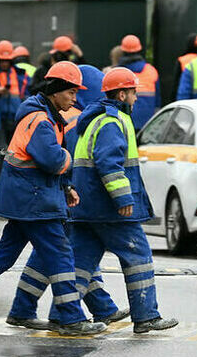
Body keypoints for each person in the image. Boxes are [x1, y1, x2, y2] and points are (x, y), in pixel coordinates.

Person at [0, 61, 107, 337]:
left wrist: (65, 186)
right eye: (71, 93)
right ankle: (72, 319)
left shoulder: (44, 115)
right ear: (56, 91)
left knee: (1, 257)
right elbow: (51, 159)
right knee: (61, 257)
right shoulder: (41, 120)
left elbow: (43, 162)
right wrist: (69, 160)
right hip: (34, 202)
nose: (75, 99)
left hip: (26, 199)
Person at [6, 64, 129, 330]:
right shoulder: (78, 118)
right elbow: (66, 160)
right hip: (67, 196)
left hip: (58, 194)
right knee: (67, 254)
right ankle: (66, 313)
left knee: (60, 253)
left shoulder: (69, 115)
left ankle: (26, 308)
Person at [63, 67, 179, 333]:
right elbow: (109, 164)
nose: (137, 98)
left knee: (81, 264)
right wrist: (123, 198)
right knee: (138, 256)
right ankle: (146, 316)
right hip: (110, 210)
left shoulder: (95, 118)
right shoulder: (112, 121)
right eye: (134, 92)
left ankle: (63, 315)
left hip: (88, 207)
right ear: (122, 93)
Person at [0, 40, 27, 182]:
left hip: (15, 118)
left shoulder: (19, 74)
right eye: (2, 60)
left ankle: (11, 180)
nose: (5, 63)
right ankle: (1, 180)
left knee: (15, 152)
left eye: (7, 60)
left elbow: (26, 94)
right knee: (0, 151)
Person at [118, 34, 159, 130]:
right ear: (139, 49)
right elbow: (158, 101)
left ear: (123, 51)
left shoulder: (118, 72)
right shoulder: (151, 70)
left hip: (123, 122)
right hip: (147, 124)